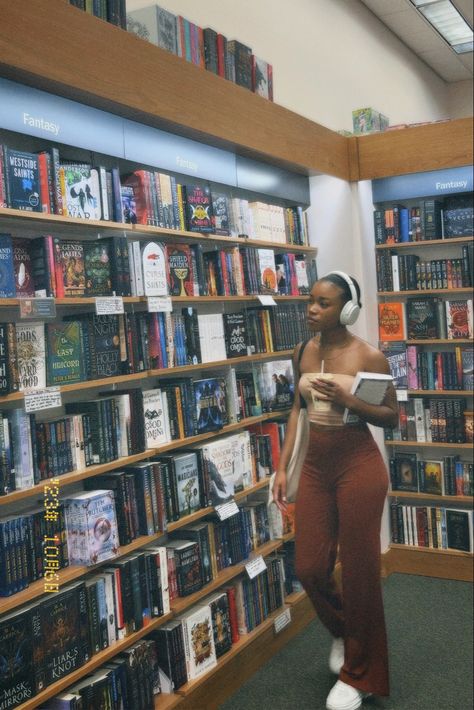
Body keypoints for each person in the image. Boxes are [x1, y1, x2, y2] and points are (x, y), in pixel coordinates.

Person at [272, 271, 398, 710]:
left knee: (361, 574)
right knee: (308, 567)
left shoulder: (370, 357)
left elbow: (389, 417)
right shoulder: (302, 350)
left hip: (358, 465)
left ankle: (360, 675)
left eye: (323, 303)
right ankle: (346, 633)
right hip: (315, 467)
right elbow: (296, 409)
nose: (312, 309)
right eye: (311, 301)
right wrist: (283, 466)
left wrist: (349, 402)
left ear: (347, 310)